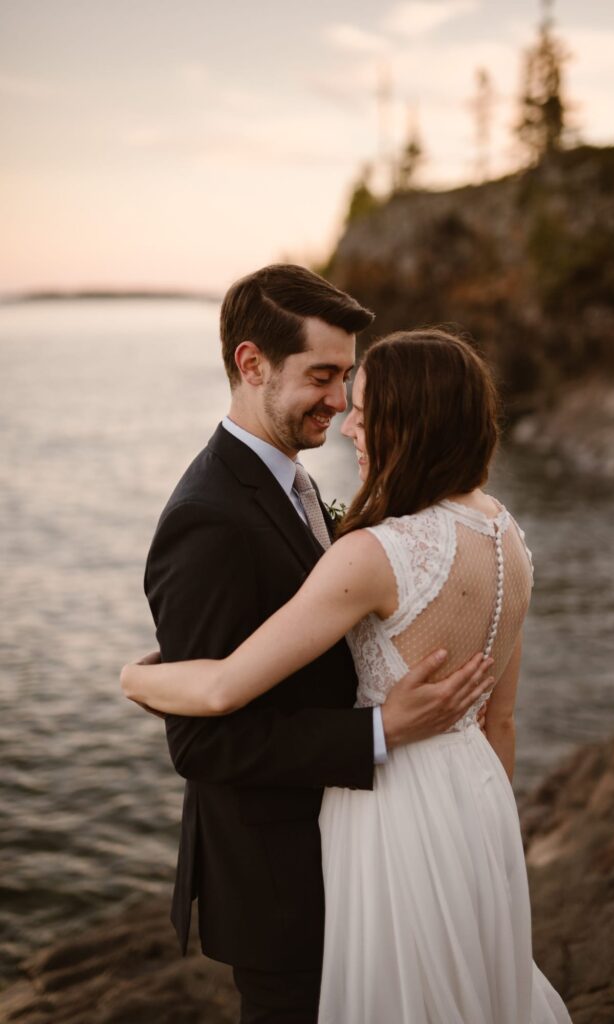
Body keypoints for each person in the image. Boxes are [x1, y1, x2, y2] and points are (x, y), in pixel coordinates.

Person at [123, 325, 573, 1023]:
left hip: (391, 808)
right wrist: (470, 834)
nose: (347, 425)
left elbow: (220, 689)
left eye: (364, 408)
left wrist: (135, 679)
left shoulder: (372, 554)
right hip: (476, 804)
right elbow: (500, 720)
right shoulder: (505, 535)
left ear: (411, 422)